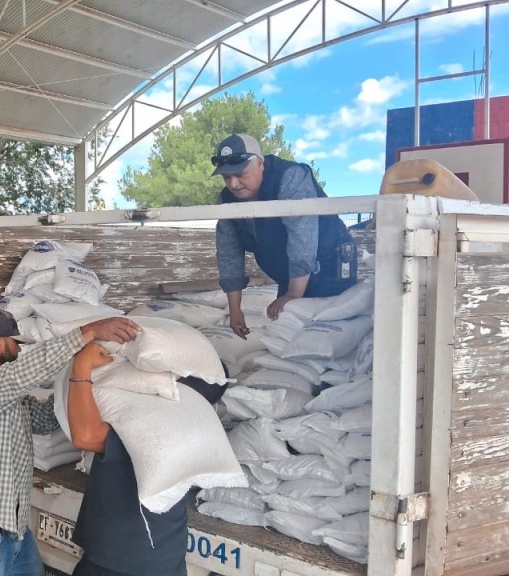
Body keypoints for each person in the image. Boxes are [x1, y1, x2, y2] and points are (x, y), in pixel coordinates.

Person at [0, 309, 140, 576]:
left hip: (12, 529)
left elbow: (46, 419)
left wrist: (79, 380)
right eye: (15, 343)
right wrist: (90, 331)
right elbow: (24, 372)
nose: (19, 350)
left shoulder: (5, 394)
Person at [212, 133, 357, 337]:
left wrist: (293, 295)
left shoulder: (290, 178)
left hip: (329, 265)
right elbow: (229, 253)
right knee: (286, 330)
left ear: (260, 163)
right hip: (290, 276)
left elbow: (302, 237)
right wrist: (235, 309)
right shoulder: (227, 199)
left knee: (331, 332)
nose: (233, 184)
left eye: (240, 174)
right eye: (227, 177)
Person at [66, 345, 191, 576]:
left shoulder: (156, 426)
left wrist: (81, 365)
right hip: (165, 553)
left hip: (123, 558)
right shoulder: (195, 423)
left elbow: (86, 436)